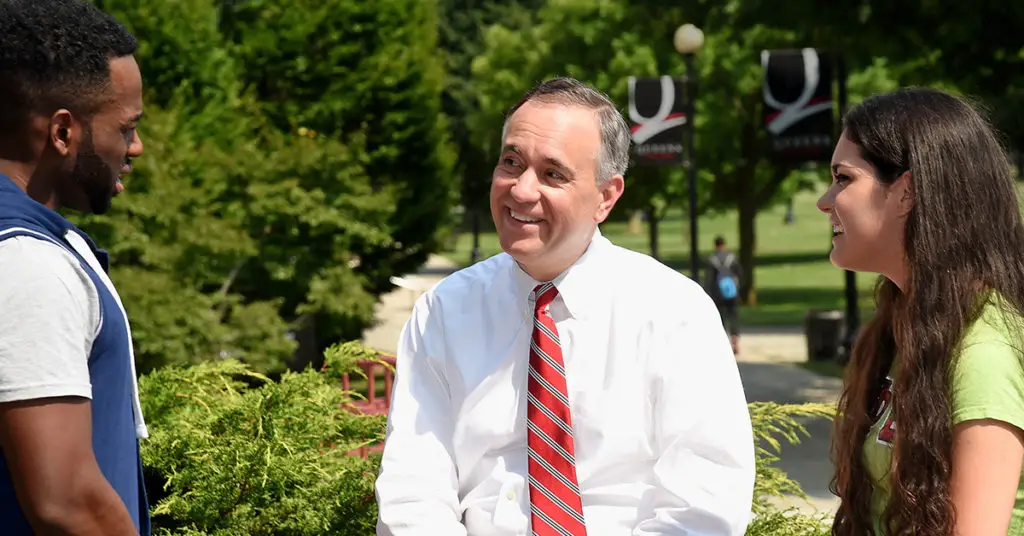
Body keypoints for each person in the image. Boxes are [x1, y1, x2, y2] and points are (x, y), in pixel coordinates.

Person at [376, 77, 755, 535]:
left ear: (605, 197)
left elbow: (706, 502)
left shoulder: (675, 312)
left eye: (553, 174)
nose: (520, 190)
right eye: (511, 163)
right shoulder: (443, 312)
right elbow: (413, 491)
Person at [822, 87, 1024, 535]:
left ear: (907, 192)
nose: (825, 200)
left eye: (843, 178)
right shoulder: (902, 329)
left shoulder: (982, 355)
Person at [0, 1, 149, 534]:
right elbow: (65, 500)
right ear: (63, 132)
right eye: (126, 127)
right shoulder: (25, 259)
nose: (136, 146)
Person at [705, 236, 741, 354]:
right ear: (724, 245)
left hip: (718, 294)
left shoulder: (712, 260)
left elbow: (708, 280)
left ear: (715, 246)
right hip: (732, 293)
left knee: (721, 317)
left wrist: (709, 293)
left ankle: (723, 341)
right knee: (733, 316)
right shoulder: (732, 258)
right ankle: (735, 338)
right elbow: (740, 274)